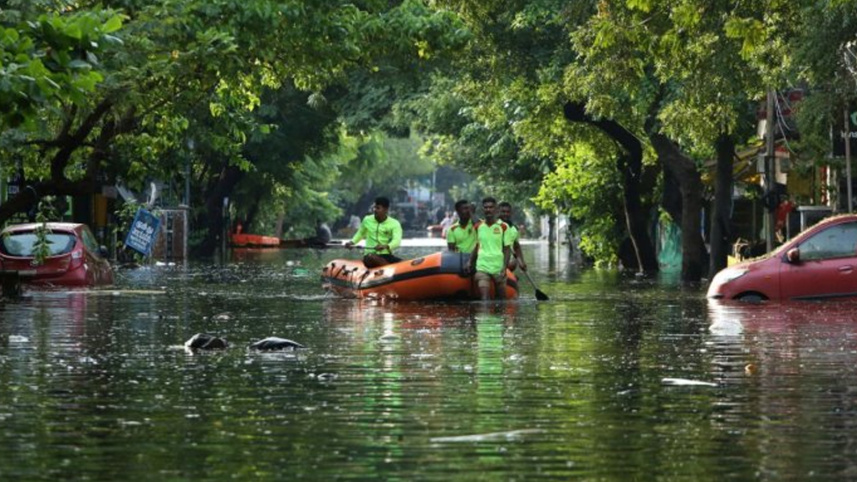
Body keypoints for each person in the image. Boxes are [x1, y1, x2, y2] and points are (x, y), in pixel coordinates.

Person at [469, 197, 512, 301]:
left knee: (501, 300)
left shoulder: (504, 227)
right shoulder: (478, 226)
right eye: (486, 207)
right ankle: (484, 317)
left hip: (498, 267)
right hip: (482, 267)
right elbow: (476, 246)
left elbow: (507, 249)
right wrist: (470, 262)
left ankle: (500, 317)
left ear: (496, 209)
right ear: (483, 210)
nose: (488, 209)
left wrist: (504, 268)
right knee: (484, 299)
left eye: (491, 207)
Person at [345, 196, 403, 268]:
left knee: (405, 263)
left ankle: (396, 271)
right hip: (370, 256)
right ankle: (392, 270)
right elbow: (360, 233)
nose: (375, 210)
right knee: (371, 257)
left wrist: (386, 246)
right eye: (374, 207)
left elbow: (397, 241)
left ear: (386, 209)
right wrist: (352, 242)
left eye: (378, 208)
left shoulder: (394, 223)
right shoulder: (367, 219)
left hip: (386, 255)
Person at [498, 201, 527, 272]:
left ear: (511, 213)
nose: (505, 214)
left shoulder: (514, 229)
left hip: (507, 262)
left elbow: (516, 246)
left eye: (508, 212)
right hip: (493, 261)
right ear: (498, 212)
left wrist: (521, 261)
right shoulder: (494, 225)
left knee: (513, 263)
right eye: (503, 212)